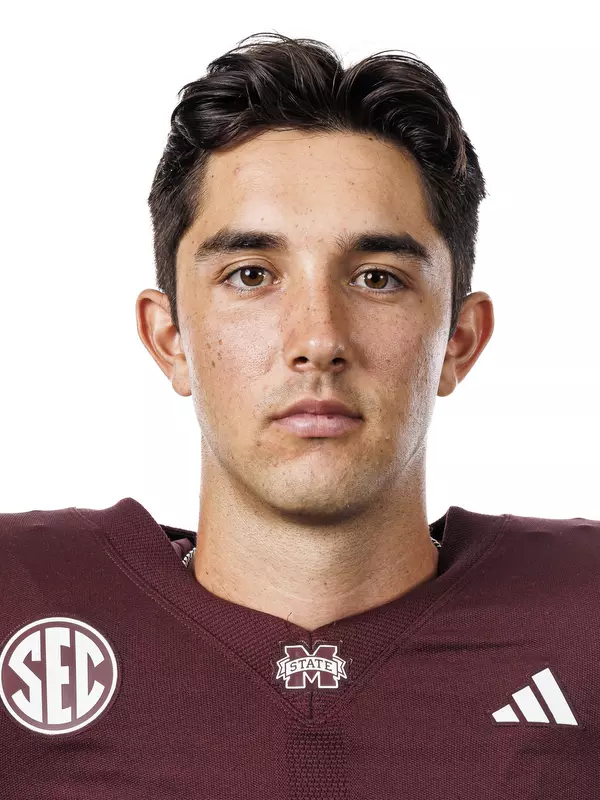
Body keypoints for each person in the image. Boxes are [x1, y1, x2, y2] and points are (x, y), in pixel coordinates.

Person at [1, 31, 597, 799]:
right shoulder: (23, 603)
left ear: (460, 339)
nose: (317, 338)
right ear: (169, 336)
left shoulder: (585, 624)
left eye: (378, 278)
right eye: (252, 275)